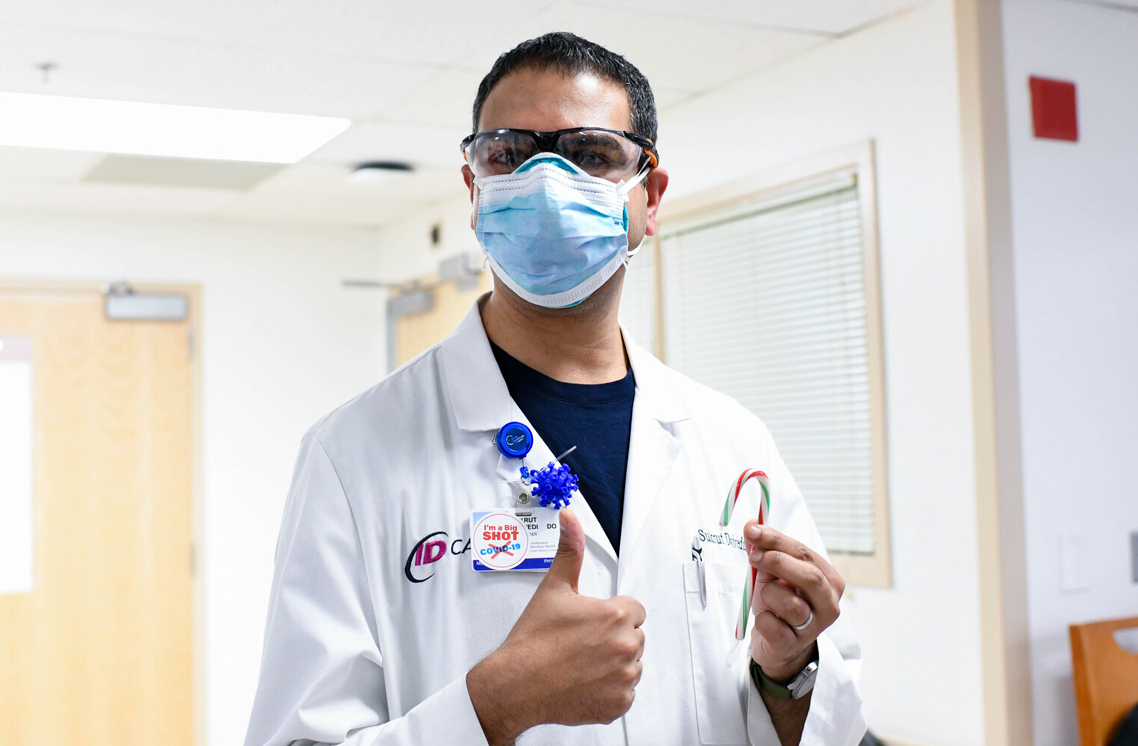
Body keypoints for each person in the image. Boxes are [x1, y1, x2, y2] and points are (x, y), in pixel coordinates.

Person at [244, 32, 866, 746]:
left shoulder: (731, 444)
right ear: (475, 190)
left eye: (590, 155)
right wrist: (493, 706)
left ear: (650, 198)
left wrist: (787, 670)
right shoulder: (351, 455)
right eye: (509, 155)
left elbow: (823, 722)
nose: (543, 183)